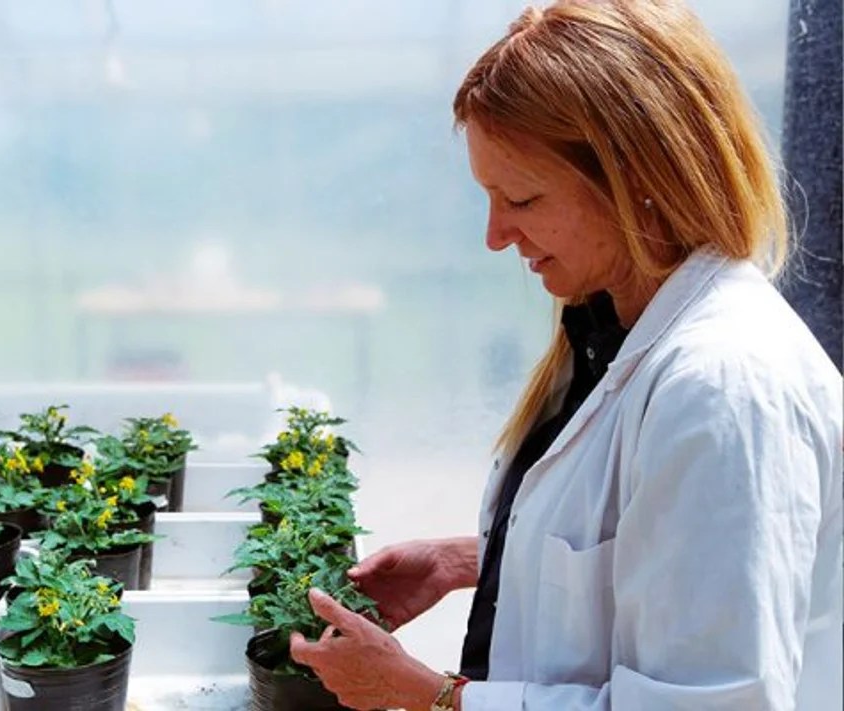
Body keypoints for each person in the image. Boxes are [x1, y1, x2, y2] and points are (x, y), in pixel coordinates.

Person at [288, 2, 844, 709]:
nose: (495, 235)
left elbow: (707, 702)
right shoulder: (608, 328)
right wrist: (472, 561)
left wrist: (428, 694)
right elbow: (647, 557)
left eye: (520, 197)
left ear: (637, 179)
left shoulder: (722, 391)